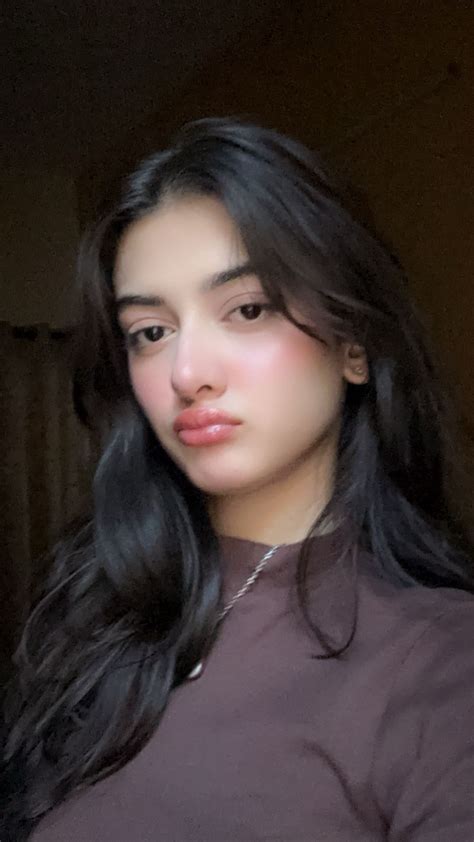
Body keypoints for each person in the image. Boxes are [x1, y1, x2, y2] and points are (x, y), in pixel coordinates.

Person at [2, 117, 474, 841]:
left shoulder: (442, 666)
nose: (187, 373)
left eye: (248, 309)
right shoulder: (97, 599)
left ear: (353, 344)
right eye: (151, 332)